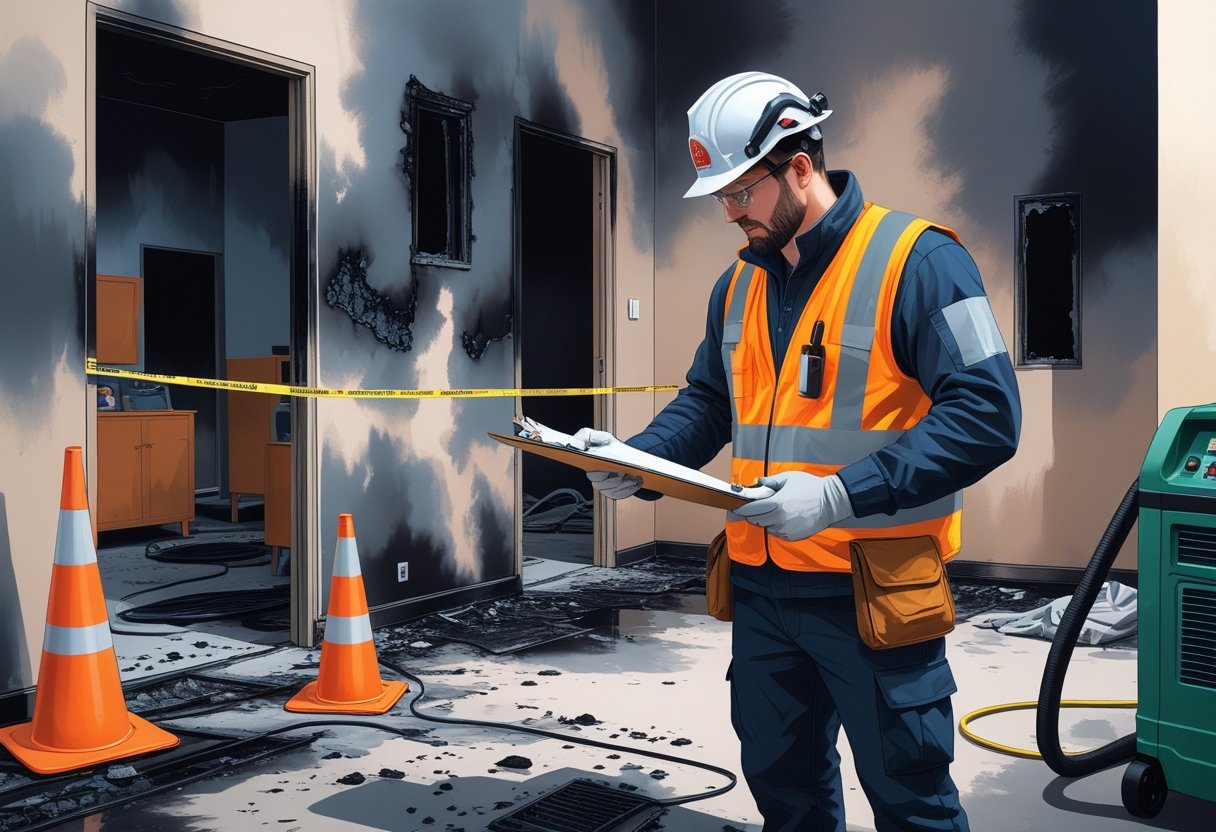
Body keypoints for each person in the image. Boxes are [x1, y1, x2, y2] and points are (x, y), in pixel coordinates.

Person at [573, 71, 1020, 831]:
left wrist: (839, 495)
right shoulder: (737, 285)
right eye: (721, 197)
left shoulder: (921, 263)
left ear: (800, 167)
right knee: (784, 789)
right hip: (763, 590)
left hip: (872, 592)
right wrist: (636, 462)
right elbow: (710, 403)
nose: (729, 213)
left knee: (910, 798)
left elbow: (987, 414)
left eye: (741, 193)